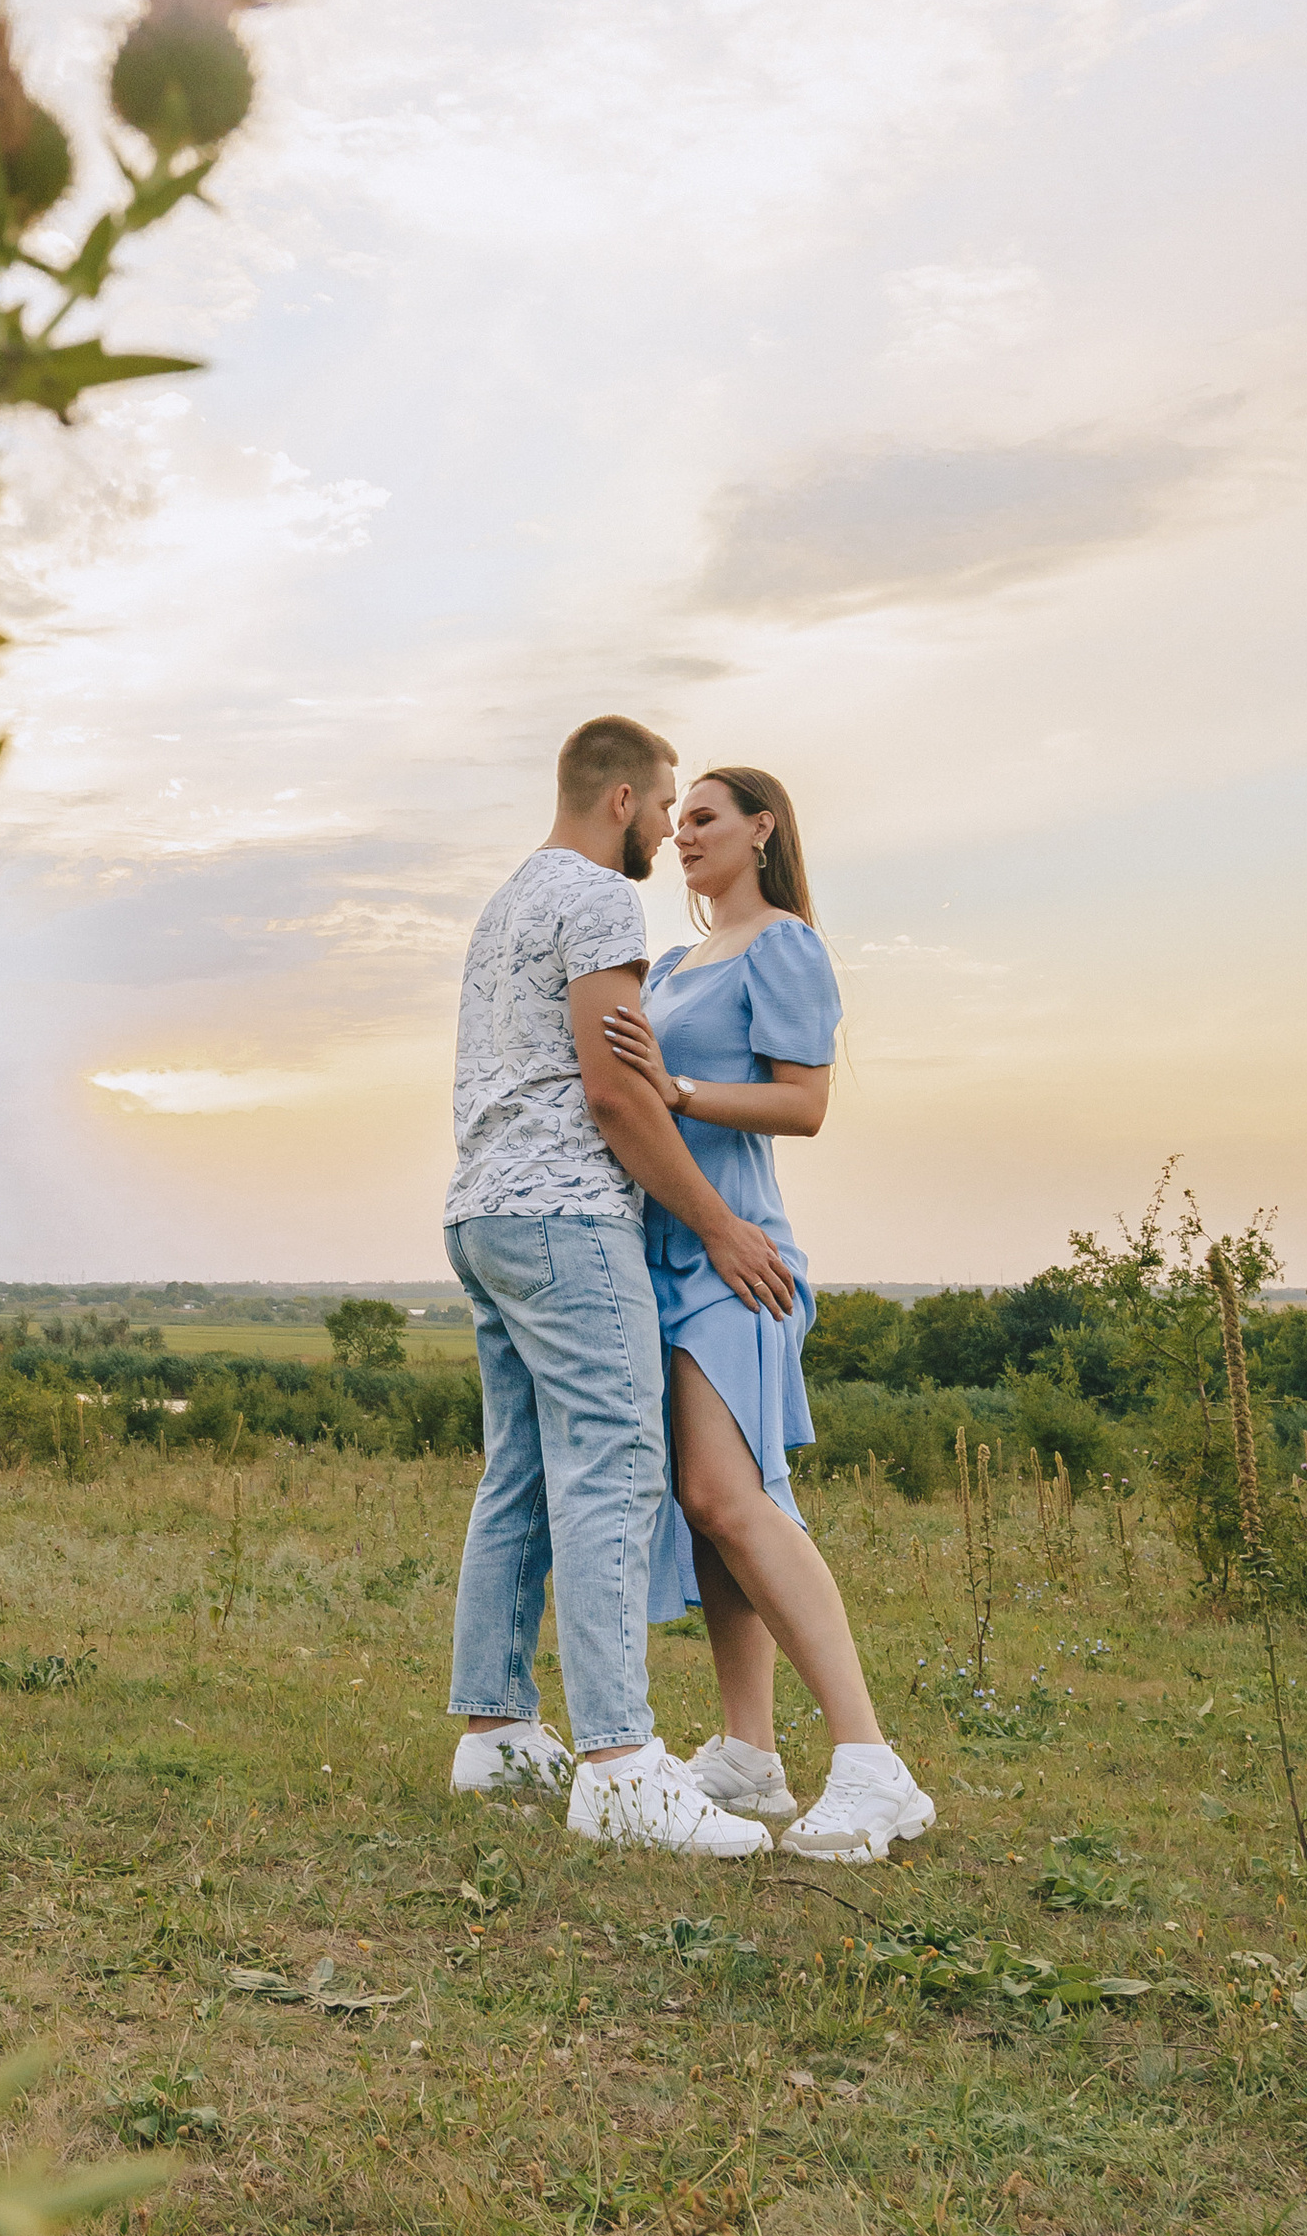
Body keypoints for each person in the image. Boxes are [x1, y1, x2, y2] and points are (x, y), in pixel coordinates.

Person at [443, 716, 800, 1856]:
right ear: (619, 803)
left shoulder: (507, 901)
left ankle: (494, 1730)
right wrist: (720, 1224)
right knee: (614, 1462)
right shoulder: (600, 899)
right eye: (659, 808)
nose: (663, 829)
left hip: (481, 1209)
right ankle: (619, 1765)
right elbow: (615, 1093)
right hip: (564, 1218)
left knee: (523, 1468)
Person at [599, 766, 935, 1865]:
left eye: (703, 816)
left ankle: (873, 1765)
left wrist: (682, 1093)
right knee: (707, 1512)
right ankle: (747, 1753)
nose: (682, 832)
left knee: (728, 1499)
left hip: (734, 1255)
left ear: (761, 828)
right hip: (663, 1256)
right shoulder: (681, 960)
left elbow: (805, 1101)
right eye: (677, 818)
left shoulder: (782, 943)